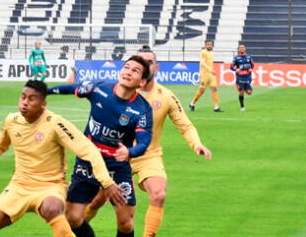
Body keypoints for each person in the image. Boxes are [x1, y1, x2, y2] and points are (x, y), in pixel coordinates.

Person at [0, 80, 125, 237]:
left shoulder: (56, 124)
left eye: (32, 99)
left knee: (51, 209)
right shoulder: (12, 121)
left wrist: (107, 182)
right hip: (19, 186)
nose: (25, 102)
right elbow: (0, 145)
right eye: (23, 97)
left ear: (43, 103)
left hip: (50, 186)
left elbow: (89, 150)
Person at [84, 48, 212, 237]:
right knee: (96, 201)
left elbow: (185, 125)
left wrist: (196, 143)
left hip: (148, 156)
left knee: (159, 194)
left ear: (156, 67)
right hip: (114, 156)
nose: (144, 65)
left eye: (148, 62)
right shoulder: (115, 91)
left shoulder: (166, 96)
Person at [48, 55, 153, 237]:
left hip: (117, 166)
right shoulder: (99, 88)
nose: (128, 72)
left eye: (135, 71)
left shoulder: (143, 109)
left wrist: (130, 151)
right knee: (72, 217)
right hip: (88, 160)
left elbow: (144, 141)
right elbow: (73, 87)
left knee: (126, 223)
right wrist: (46, 91)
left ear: (142, 82)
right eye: (126, 67)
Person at [189, 39, 224, 112]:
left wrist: (211, 71)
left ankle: (216, 107)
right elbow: (202, 63)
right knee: (201, 90)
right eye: (208, 44)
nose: (209, 46)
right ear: (205, 45)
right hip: (204, 74)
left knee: (214, 88)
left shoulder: (211, 53)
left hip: (211, 75)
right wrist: (210, 70)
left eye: (210, 44)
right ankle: (192, 103)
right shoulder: (202, 52)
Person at [230, 44, 254, 111]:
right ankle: (242, 107)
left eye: (243, 47)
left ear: (245, 49)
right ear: (238, 49)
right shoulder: (236, 58)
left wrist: (251, 69)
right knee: (241, 92)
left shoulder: (249, 57)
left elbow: (252, 65)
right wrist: (235, 70)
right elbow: (231, 67)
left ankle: (244, 88)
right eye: (240, 48)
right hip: (240, 77)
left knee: (249, 92)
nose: (242, 49)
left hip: (248, 77)